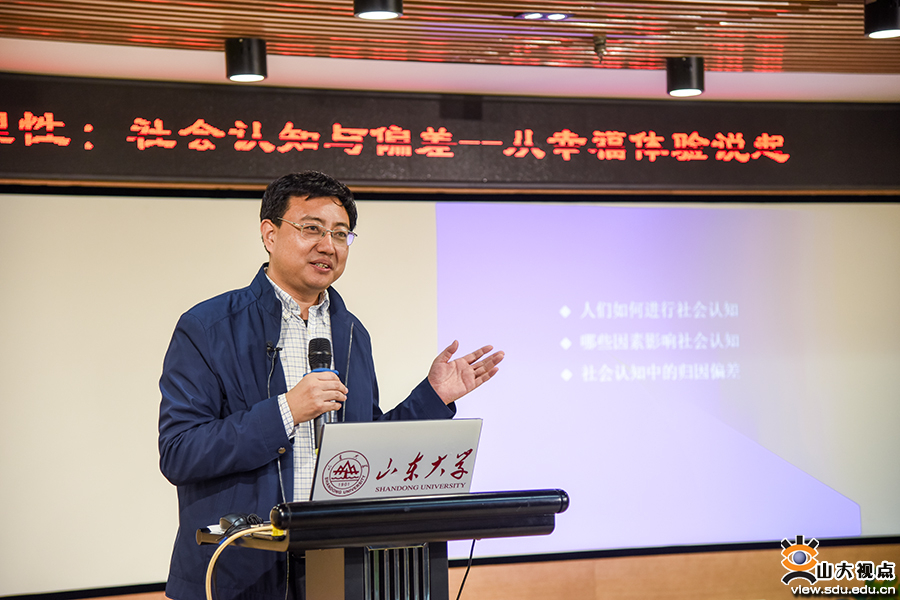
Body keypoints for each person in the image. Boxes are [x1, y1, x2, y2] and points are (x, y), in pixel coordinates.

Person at [157, 171, 503, 600]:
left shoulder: (352, 333)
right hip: (237, 575)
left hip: (336, 570)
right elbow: (180, 452)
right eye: (312, 229)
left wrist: (433, 398)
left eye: (341, 234)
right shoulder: (208, 327)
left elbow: (364, 449)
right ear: (269, 234)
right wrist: (286, 411)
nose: (328, 245)